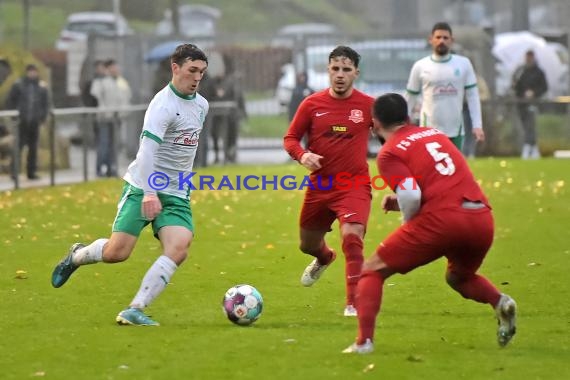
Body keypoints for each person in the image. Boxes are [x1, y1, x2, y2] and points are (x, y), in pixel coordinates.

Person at [342, 93, 517, 354]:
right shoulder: (434, 134)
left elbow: (411, 193)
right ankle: (500, 301)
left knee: (371, 270)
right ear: (408, 116)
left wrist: (409, 223)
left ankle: (363, 343)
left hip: (443, 221)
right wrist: (401, 200)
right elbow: (438, 182)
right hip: (480, 217)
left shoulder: (389, 153)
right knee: (459, 277)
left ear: (374, 123)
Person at [51, 44, 209, 326]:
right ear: (175, 68)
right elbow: (146, 152)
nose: (197, 78)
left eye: (202, 72)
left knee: (179, 247)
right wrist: (149, 192)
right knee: (117, 253)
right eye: (192, 71)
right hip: (142, 187)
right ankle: (77, 255)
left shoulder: (201, 105)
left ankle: (135, 308)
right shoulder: (163, 106)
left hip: (176, 192)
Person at [283, 46, 374, 317]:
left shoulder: (368, 105)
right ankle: (324, 257)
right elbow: (290, 139)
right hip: (320, 186)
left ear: (356, 73)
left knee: (352, 236)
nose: (340, 75)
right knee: (307, 245)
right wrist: (303, 155)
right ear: (328, 70)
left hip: (354, 184)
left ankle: (353, 303)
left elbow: (392, 135)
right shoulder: (312, 104)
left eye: (346, 70)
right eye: (335, 69)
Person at [405, 22, 484, 150]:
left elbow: (473, 96)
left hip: (455, 131)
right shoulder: (420, 66)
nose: (441, 41)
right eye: (438, 37)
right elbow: (410, 97)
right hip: (428, 130)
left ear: (452, 40)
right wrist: (402, 124)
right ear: (431, 40)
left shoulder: (464, 64)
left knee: (453, 169)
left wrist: (477, 125)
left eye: (445, 38)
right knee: (429, 169)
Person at [5, 64, 49, 180]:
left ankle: (31, 171)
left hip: (34, 121)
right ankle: (14, 172)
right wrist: (14, 116)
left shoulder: (41, 86)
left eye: (34, 72)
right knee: (18, 146)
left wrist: (42, 117)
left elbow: (45, 103)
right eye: (31, 72)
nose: (33, 74)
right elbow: (10, 101)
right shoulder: (19, 85)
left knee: (33, 148)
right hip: (22, 121)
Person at [90, 59, 131, 177]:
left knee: (114, 145)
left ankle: (111, 168)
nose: (115, 70)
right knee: (104, 144)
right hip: (105, 118)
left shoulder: (121, 82)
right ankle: (100, 168)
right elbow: (97, 98)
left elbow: (126, 97)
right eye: (113, 67)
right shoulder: (101, 82)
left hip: (117, 117)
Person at [512, 50, 548, 159]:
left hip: (533, 103)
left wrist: (534, 93)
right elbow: (516, 86)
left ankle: (529, 147)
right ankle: (532, 147)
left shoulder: (539, 72)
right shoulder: (520, 71)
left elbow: (544, 87)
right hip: (521, 103)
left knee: (530, 125)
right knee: (525, 125)